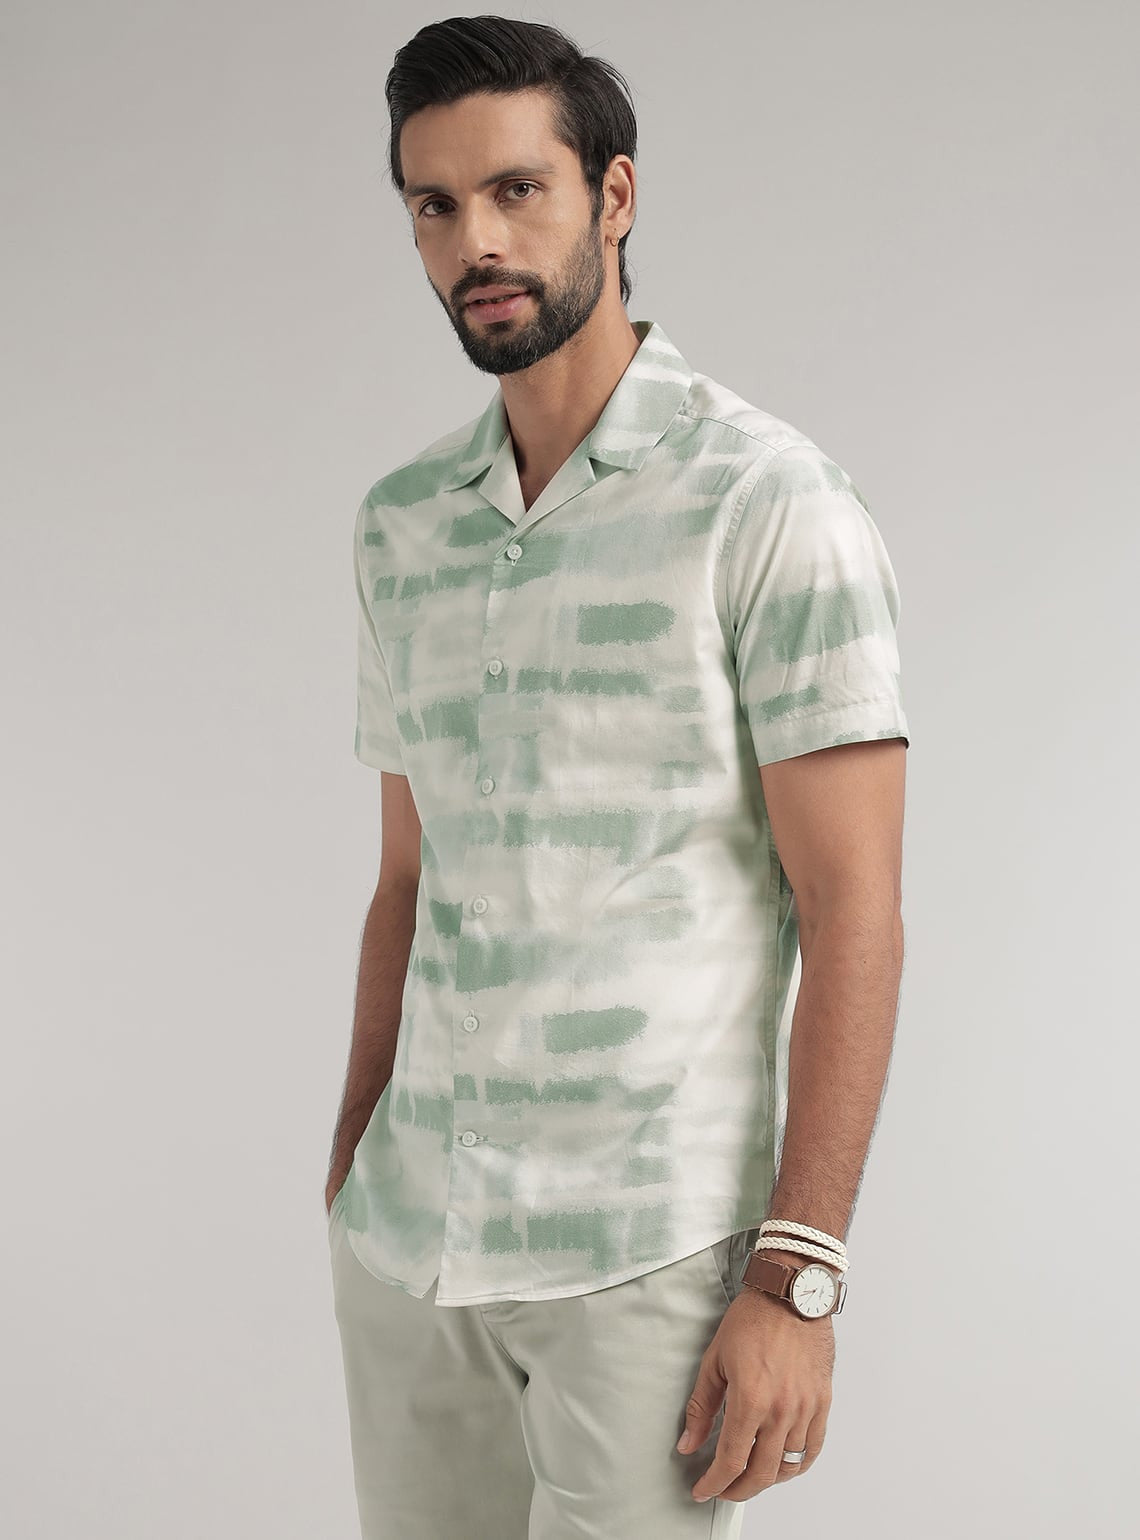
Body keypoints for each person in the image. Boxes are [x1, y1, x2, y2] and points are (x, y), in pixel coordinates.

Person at [324, 16, 910, 1538]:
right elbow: (408, 876)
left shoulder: (768, 504)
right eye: (435, 205)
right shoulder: (402, 524)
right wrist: (356, 1154)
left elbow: (854, 907)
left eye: (517, 190)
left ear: (617, 195)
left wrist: (798, 1273)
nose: (476, 242)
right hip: (412, 1247)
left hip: (644, 1257)